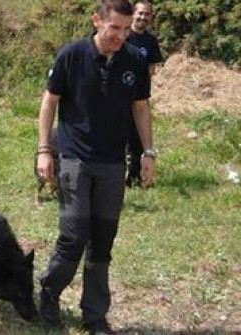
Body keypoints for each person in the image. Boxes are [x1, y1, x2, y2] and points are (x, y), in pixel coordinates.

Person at [35, 0, 155, 333]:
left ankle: (94, 314)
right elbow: (49, 103)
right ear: (96, 21)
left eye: (126, 29)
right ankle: (49, 290)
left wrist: (148, 153)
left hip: (112, 164)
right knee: (74, 235)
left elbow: (141, 108)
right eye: (115, 28)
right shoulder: (71, 56)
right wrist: (45, 149)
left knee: (103, 239)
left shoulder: (133, 59)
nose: (121, 36)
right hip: (74, 158)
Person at [124, 0, 163, 187]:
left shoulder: (150, 41)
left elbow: (151, 68)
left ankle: (135, 177)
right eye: (140, 13)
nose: (143, 17)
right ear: (133, 13)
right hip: (120, 94)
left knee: (137, 138)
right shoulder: (123, 35)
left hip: (139, 96)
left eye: (147, 14)